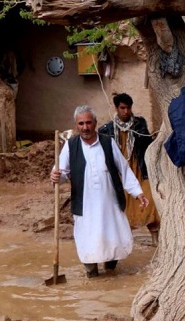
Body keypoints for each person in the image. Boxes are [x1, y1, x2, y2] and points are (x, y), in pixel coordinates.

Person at [50, 105, 148, 278]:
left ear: (95, 123)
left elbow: (123, 169)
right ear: (76, 125)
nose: (85, 127)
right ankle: (92, 273)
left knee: (112, 237)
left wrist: (137, 192)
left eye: (88, 123)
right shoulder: (70, 146)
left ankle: (111, 272)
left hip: (109, 202)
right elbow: (62, 173)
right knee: (88, 238)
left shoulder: (107, 142)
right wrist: (56, 176)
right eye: (81, 124)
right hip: (85, 204)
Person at [98, 93, 161, 246]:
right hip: (119, 173)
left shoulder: (139, 125)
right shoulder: (106, 129)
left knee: (149, 201)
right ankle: (125, 242)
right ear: (116, 108)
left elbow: (148, 146)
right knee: (122, 206)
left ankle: (155, 239)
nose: (126, 111)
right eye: (122, 108)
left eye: (128, 108)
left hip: (139, 169)